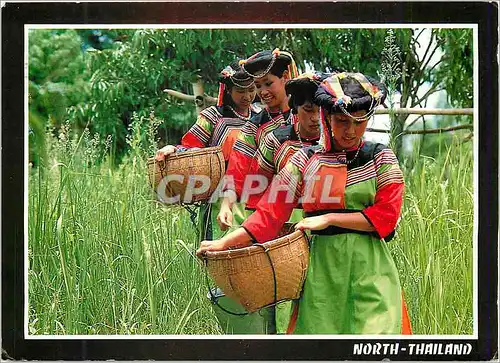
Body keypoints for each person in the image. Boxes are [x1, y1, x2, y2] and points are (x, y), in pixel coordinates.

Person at [197, 72, 410, 334]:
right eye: (342, 121)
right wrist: (223, 244)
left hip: (372, 269)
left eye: (360, 122)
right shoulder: (304, 161)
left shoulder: (381, 157)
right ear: (326, 118)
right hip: (321, 272)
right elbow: (269, 215)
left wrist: (330, 218)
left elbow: (387, 218)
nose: (351, 131)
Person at [155, 61, 258, 240]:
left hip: (255, 196)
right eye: (241, 91)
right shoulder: (213, 117)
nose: (247, 96)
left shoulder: (260, 117)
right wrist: (174, 149)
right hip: (219, 195)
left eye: (251, 89)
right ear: (228, 90)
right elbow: (190, 148)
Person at [217, 49, 298, 233]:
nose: (263, 92)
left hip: (301, 213)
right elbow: (236, 171)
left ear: (285, 77)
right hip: (262, 214)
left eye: (268, 83)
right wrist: (225, 206)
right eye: (258, 86)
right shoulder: (254, 127)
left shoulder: (307, 118)